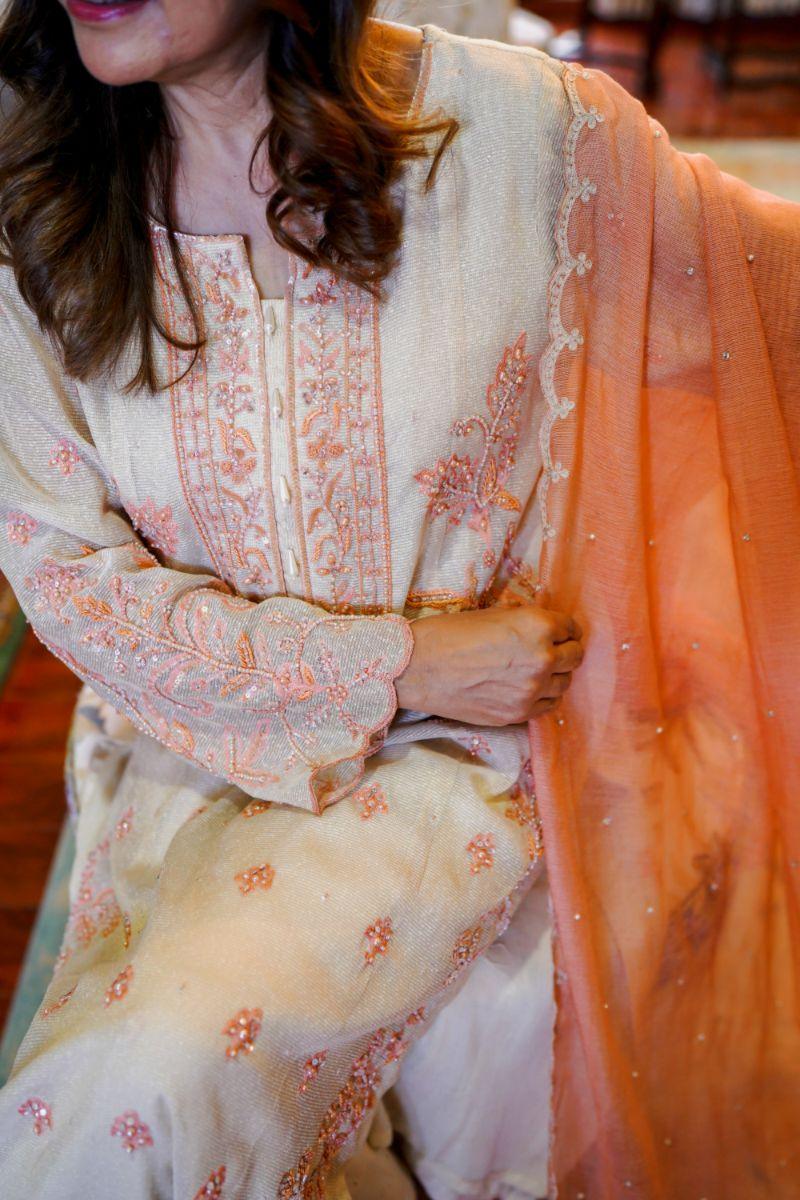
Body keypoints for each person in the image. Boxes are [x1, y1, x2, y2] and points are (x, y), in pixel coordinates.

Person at [0, 3, 797, 1200]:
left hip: (500, 746)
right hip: (199, 746)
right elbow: (68, 577)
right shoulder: (34, 203)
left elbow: (757, 302)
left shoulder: (523, 137)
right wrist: (402, 665)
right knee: (132, 1100)